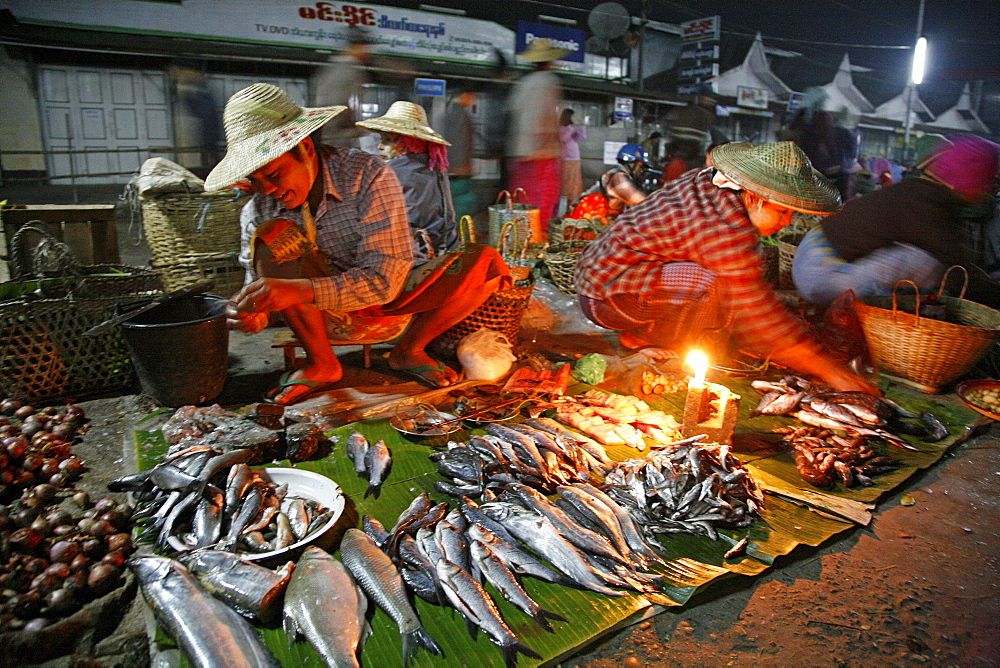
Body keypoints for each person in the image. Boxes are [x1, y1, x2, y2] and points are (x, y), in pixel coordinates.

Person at [204, 83, 512, 403]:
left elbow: (384, 281)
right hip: (316, 313)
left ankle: (409, 350)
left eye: (274, 174)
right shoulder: (259, 209)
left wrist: (298, 289)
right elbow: (261, 288)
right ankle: (322, 362)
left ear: (306, 149)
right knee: (272, 233)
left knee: (485, 262)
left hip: (388, 293)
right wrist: (251, 313)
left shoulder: (367, 174)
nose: (267, 189)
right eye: (255, 181)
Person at [574, 141, 878, 394]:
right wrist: (828, 369)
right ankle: (656, 341)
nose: (787, 222)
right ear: (754, 196)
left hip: (616, 280)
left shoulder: (711, 184)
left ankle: (644, 334)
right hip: (606, 296)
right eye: (783, 211)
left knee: (721, 289)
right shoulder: (720, 226)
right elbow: (754, 310)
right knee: (709, 283)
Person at [793, 134, 1000, 309]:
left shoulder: (918, 190)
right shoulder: (929, 207)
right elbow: (960, 272)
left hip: (810, 257)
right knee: (929, 265)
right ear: (973, 182)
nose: (990, 191)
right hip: (819, 278)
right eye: (988, 184)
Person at [357, 101, 459, 266]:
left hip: (413, 258)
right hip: (446, 250)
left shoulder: (393, 172)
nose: (380, 146)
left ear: (408, 142)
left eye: (388, 140)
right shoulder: (436, 169)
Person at [505, 38, 569, 226]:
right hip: (541, 153)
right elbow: (546, 116)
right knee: (542, 202)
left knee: (522, 202)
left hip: (520, 154)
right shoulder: (549, 81)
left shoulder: (523, 83)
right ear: (549, 61)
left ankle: (517, 242)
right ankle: (536, 245)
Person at [568, 143, 652, 222]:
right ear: (630, 163)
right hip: (587, 222)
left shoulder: (620, 175)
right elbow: (638, 200)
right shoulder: (617, 177)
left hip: (593, 221)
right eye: (641, 166)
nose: (642, 171)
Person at [441, 88, 477, 220]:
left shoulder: (450, 111)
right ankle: (459, 235)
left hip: (452, 169)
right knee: (462, 204)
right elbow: (459, 141)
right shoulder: (458, 113)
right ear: (464, 94)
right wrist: (461, 166)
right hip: (457, 170)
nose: (473, 100)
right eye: (472, 97)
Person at [559, 108, 586, 213]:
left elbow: (582, 137)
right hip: (565, 159)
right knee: (565, 184)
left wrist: (582, 126)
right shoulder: (561, 129)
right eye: (573, 116)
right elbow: (564, 139)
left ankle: (573, 207)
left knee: (575, 185)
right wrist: (571, 129)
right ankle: (563, 208)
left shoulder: (572, 128)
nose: (574, 119)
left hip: (575, 158)